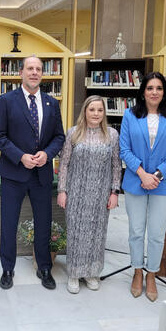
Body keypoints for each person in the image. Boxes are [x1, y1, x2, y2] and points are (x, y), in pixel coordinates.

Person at [0, 56, 65, 290]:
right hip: (14, 173)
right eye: (30, 68)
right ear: (21, 72)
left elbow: (59, 137)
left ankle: (44, 267)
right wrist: (20, 156)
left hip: (42, 173)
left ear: (42, 74)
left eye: (38, 69)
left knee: (44, 222)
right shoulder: (6, 101)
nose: (34, 72)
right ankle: (7, 268)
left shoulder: (52, 103)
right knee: (9, 223)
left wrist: (47, 153)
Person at [119, 72, 166, 302]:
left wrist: (156, 175)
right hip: (136, 181)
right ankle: (137, 272)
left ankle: (152, 275)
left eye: (158, 88)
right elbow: (124, 149)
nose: (154, 92)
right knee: (136, 231)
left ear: (164, 91)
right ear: (143, 92)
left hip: (163, 184)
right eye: (149, 88)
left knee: (157, 234)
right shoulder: (130, 115)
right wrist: (142, 174)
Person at [57, 95, 121, 294]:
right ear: (85, 111)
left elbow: (116, 166)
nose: (96, 114)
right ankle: (74, 274)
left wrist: (114, 192)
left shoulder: (112, 135)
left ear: (104, 113)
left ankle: (92, 272)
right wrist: (62, 190)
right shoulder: (73, 133)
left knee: (97, 233)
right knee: (76, 233)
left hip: (101, 194)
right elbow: (64, 164)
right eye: (92, 109)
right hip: (76, 192)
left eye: (100, 110)